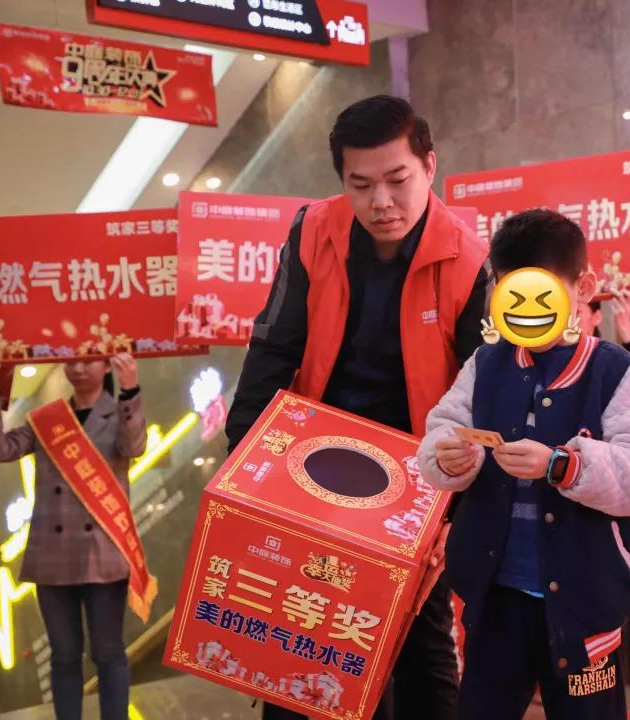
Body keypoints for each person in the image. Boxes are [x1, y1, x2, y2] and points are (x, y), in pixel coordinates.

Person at [226, 95, 489, 720]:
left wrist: (455, 505)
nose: (381, 203)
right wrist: (244, 467)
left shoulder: (470, 259)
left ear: (429, 165)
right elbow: (273, 347)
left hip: (416, 481)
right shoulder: (313, 230)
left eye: (398, 180)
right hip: (314, 467)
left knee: (420, 643)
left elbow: (482, 396)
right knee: (297, 635)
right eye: (361, 185)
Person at [417, 209, 630, 720]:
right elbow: (441, 429)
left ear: (583, 288)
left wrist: (561, 466)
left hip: (587, 601)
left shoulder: (619, 372)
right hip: (495, 597)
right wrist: (447, 455)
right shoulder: (484, 364)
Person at [0, 353, 144, 720]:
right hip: (52, 561)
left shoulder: (121, 412)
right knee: (64, 657)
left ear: (107, 365)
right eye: (72, 361)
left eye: (90, 360)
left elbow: (134, 447)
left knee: (108, 653)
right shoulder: (46, 420)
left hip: (103, 557)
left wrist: (131, 389)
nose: (79, 368)